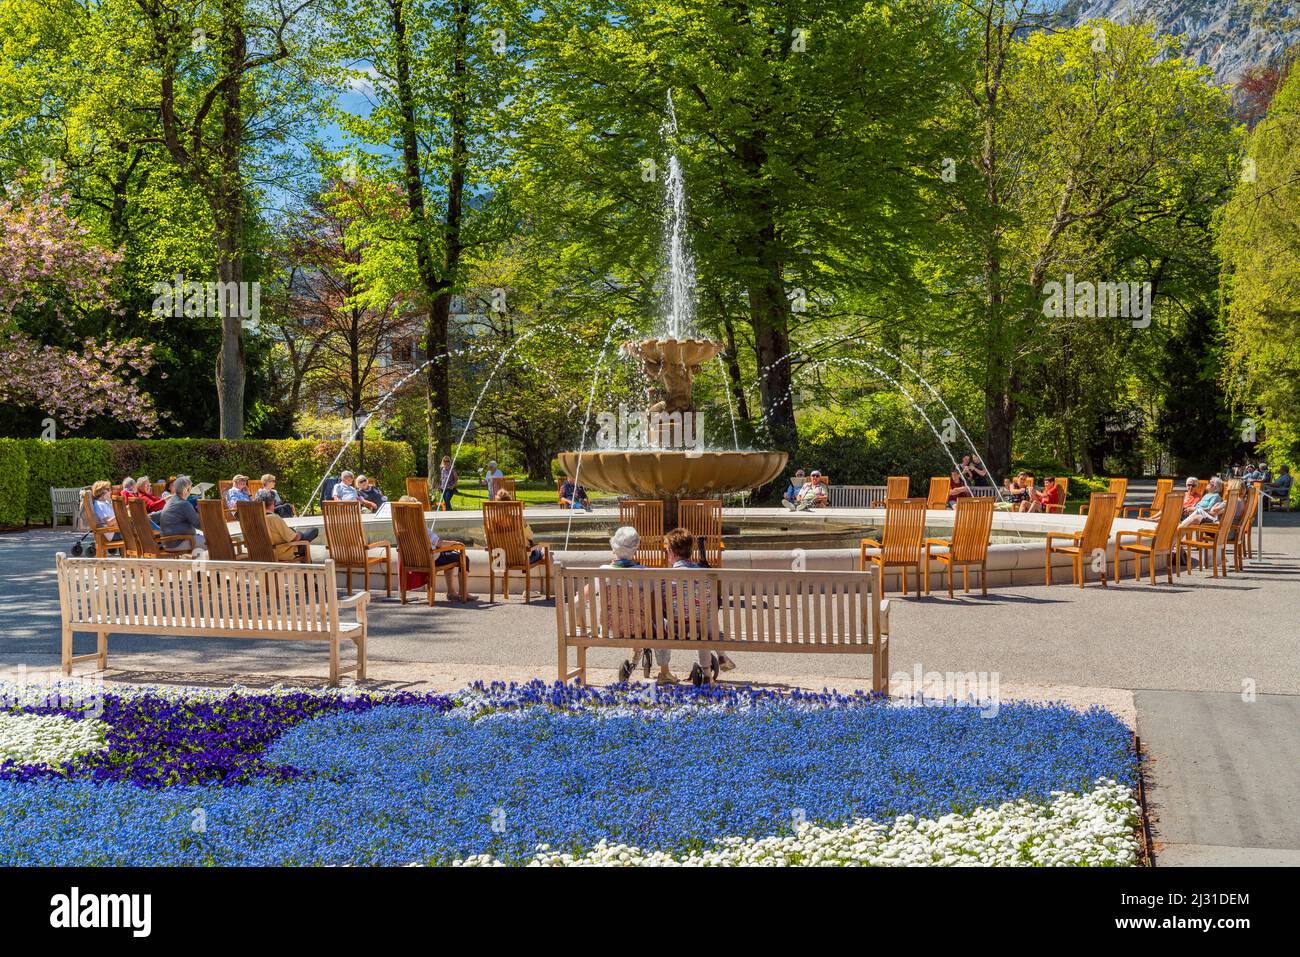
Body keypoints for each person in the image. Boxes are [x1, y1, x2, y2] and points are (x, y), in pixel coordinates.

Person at [598, 527, 674, 685]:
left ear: (614, 547)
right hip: (640, 628)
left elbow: (578, 600)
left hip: (611, 629)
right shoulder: (645, 573)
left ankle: (636, 655)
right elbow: (655, 608)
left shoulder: (603, 572)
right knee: (659, 623)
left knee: (631, 616)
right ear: (636, 548)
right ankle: (664, 672)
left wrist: (579, 621)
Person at [664, 526, 735, 687]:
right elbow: (710, 603)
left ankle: (664, 670)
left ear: (673, 553)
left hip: (674, 628)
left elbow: (663, 603)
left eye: (667, 550)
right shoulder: (705, 575)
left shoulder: (667, 578)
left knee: (698, 621)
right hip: (702, 627)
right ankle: (707, 673)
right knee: (706, 621)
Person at [397, 496, 473, 601]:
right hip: (432, 560)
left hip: (414, 561)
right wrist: (456, 543)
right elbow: (440, 543)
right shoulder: (421, 527)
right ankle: (463, 592)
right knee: (463, 557)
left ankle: (451, 592)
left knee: (449, 553)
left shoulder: (400, 528)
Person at [258, 489, 318, 560]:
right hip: (282, 552)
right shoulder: (273, 518)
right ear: (274, 502)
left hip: (263, 553)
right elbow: (294, 538)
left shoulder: (255, 517)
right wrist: (299, 534)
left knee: (295, 532)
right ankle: (307, 565)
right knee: (313, 530)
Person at [158, 475, 205, 551]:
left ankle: (196, 561)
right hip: (178, 542)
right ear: (187, 489)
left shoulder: (171, 501)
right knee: (211, 542)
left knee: (202, 539)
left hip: (167, 543)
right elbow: (198, 524)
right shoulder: (184, 504)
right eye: (190, 488)